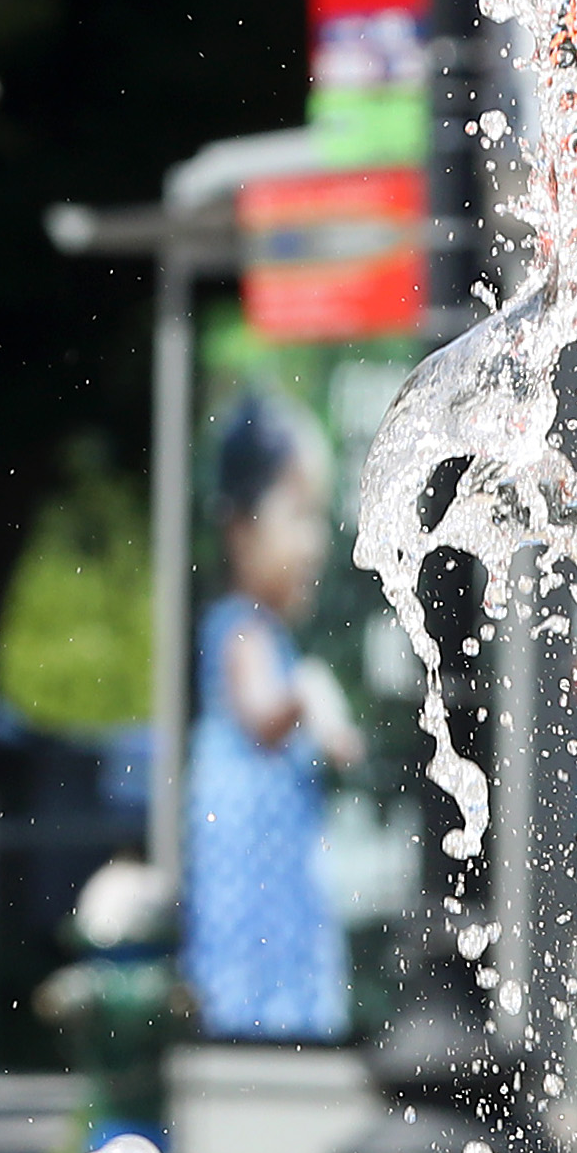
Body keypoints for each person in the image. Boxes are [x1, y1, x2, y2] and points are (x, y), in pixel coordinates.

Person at [183, 397, 361, 1042]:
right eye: (298, 516)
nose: (314, 543)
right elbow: (261, 714)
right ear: (241, 529)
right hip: (253, 890)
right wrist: (309, 693)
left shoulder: (266, 637)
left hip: (275, 877)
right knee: (260, 1002)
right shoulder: (242, 632)